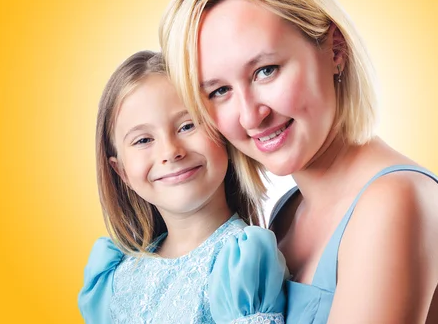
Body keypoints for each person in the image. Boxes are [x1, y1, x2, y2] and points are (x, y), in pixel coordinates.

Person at [160, 0, 438, 324]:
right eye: (219, 91)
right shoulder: (289, 212)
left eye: (266, 70)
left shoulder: (395, 205)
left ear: (335, 49)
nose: (251, 115)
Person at [78, 50, 287, 324]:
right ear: (121, 172)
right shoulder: (115, 279)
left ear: (221, 132)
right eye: (143, 140)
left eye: (188, 126)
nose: (170, 152)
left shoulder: (243, 266)